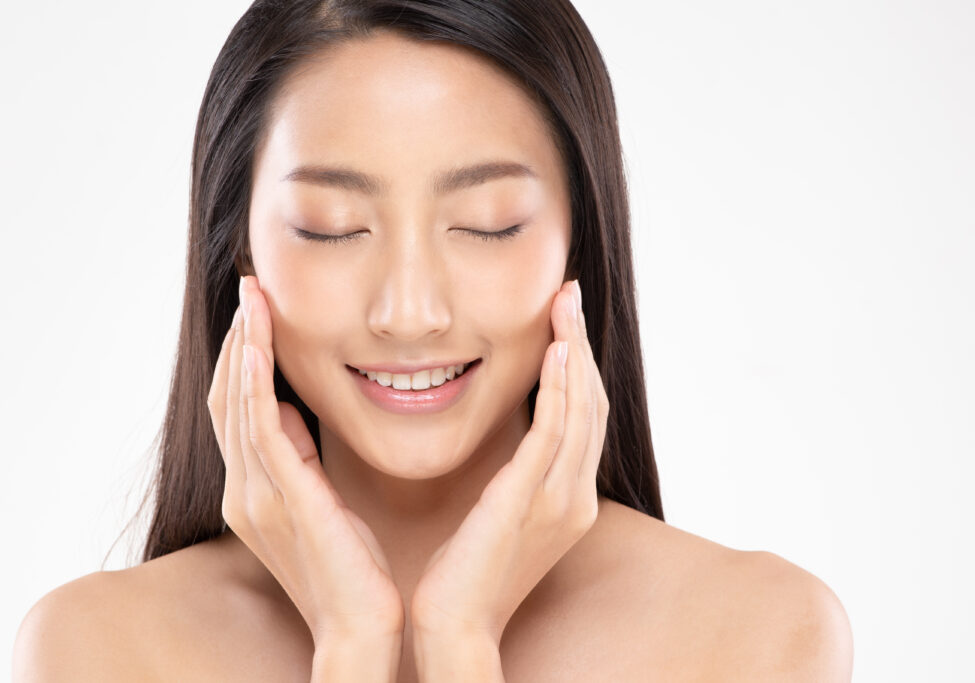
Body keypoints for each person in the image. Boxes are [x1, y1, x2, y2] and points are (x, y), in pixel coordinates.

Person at [13, 1, 853, 680]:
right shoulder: (99, 650)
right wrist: (351, 643)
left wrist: (458, 639)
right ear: (240, 248)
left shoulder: (758, 636)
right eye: (332, 227)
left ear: (577, 241)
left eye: (488, 226)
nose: (409, 311)